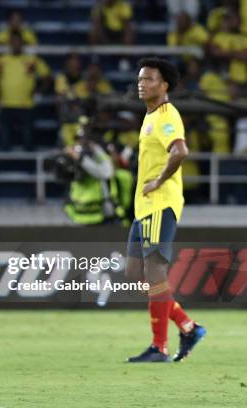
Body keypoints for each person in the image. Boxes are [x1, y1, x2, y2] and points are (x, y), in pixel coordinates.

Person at [125, 58, 206, 363]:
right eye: (140, 79)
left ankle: (159, 346)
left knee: (155, 271)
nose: (141, 84)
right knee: (134, 272)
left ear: (165, 85)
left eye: (148, 79)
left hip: (160, 204)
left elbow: (180, 150)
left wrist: (158, 180)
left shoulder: (165, 115)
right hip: (144, 208)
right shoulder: (150, 117)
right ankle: (188, 326)